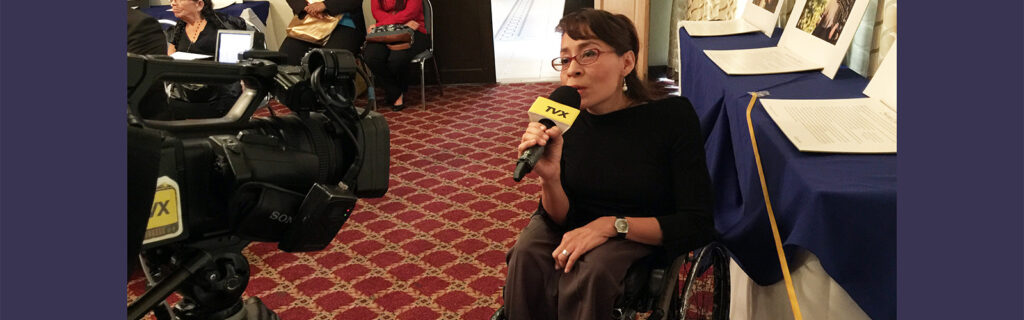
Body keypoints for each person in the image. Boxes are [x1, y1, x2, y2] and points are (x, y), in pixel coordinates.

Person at [502, 9, 715, 320]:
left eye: (588, 53)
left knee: (592, 270)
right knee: (527, 253)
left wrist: (611, 226)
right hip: (575, 226)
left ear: (626, 63)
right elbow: (560, 218)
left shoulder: (672, 118)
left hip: (637, 232)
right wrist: (550, 178)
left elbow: (697, 222)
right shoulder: (565, 120)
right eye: (565, 59)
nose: (572, 70)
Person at [165, 0, 248, 119]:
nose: (173, 3)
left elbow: (238, 64)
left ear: (199, 4)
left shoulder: (225, 25)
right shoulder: (176, 30)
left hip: (219, 95)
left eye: (178, 0)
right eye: (171, 0)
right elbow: (170, 63)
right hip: (185, 96)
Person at [363, 0, 429, 111]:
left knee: (397, 58)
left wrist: (379, 25)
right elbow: (376, 11)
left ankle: (395, 93)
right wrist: (397, 23)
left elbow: (410, 12)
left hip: (413, 29)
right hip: (386, 30)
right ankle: (395, 92)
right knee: (371, 57)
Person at [279, 0, 367, 66]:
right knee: (285, 60)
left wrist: (325, 5)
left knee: (328, 63)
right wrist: (306, 7)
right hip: (310, 21)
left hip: (346, 23)